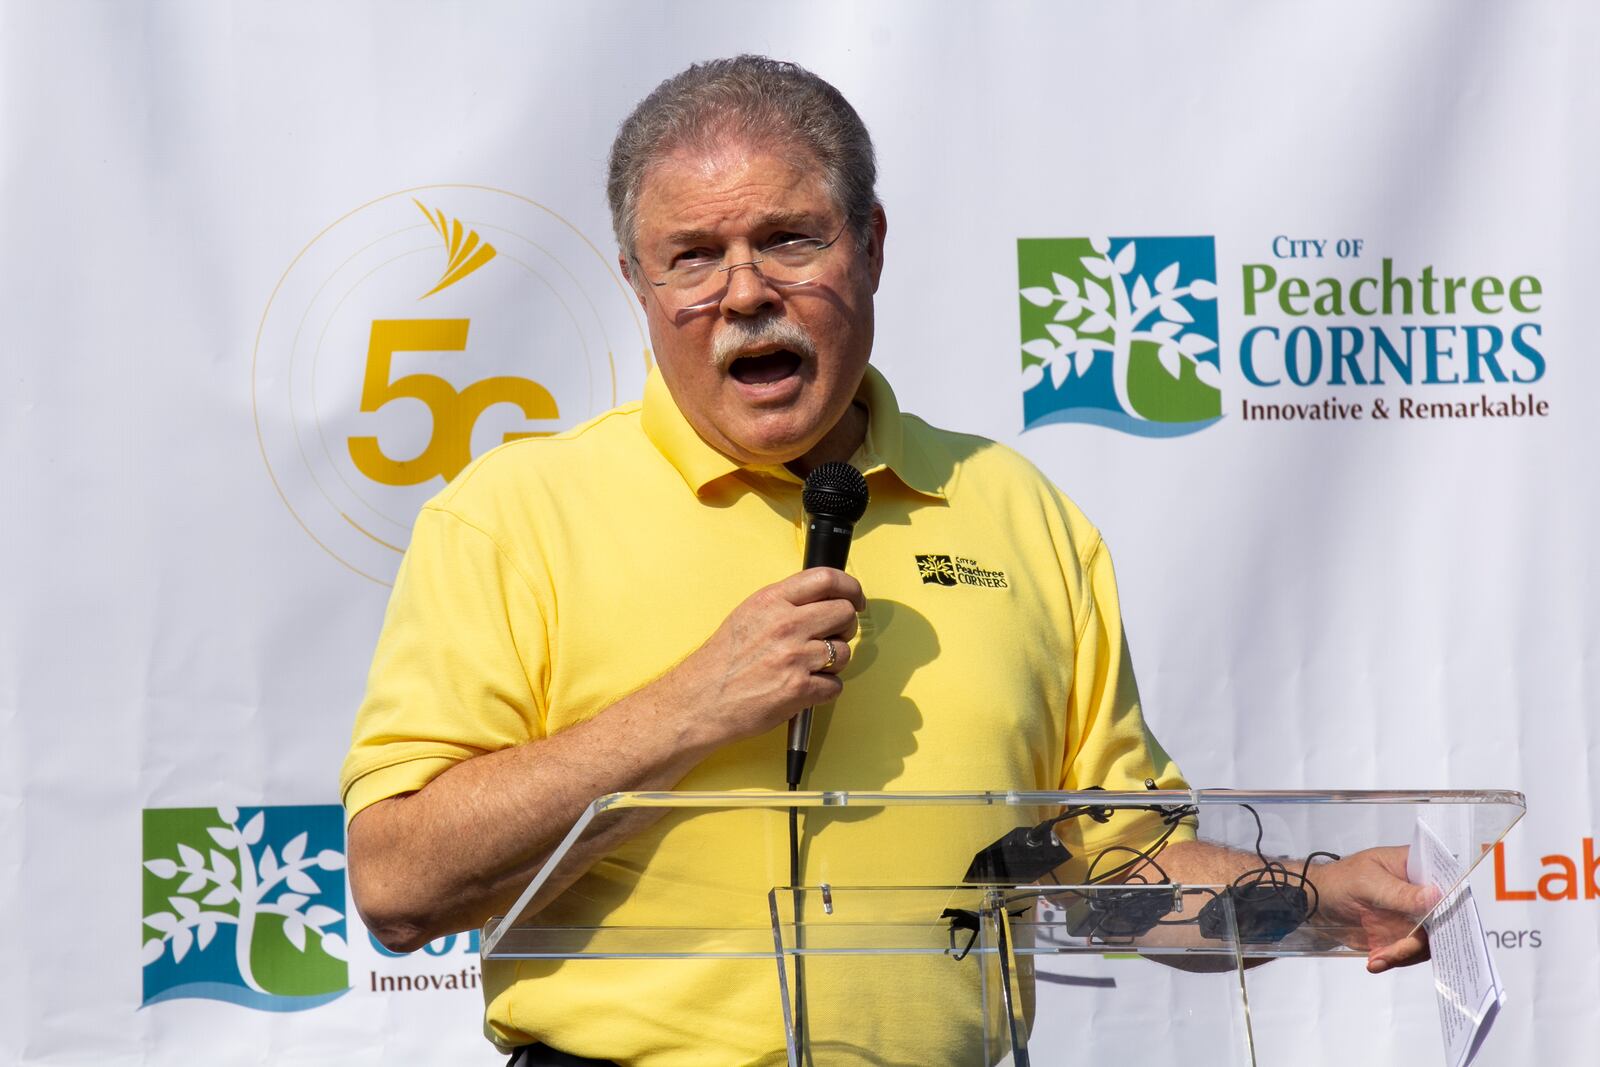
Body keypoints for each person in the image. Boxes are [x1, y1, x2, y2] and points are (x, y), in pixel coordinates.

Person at [341, 56, 1433, 1066]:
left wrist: (1317, 896)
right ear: (636, 280)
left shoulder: (1015, 511)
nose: (744, 291)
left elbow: (1115, 869)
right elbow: (398, 883)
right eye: (693, 256)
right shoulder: (514, 516)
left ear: (869, 243)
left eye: (788, 239)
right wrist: (685, 711)